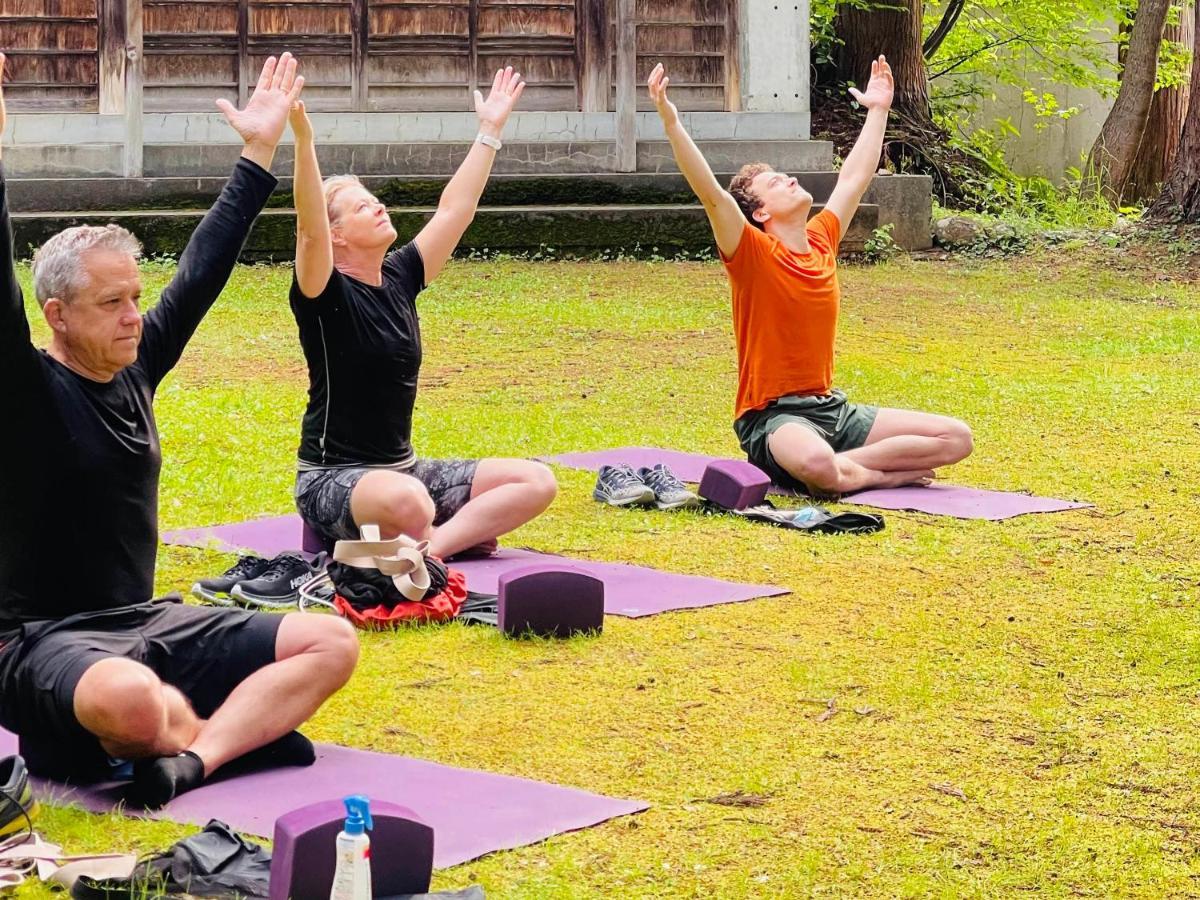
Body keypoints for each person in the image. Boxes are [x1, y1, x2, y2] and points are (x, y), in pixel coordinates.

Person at [0, 52, 359, 807]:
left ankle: (196, 755)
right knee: (131, 701)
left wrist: (259, 148)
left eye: (136, 298)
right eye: (111, 305)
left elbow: (202, 269)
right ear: (56, 316)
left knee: (330, 641)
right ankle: (220, 732)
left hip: (151, 622)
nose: (135, 317)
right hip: (44, 643)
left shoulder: (133, 368)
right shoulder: (24, 387)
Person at [646, 56, 973, 496]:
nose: (791, 179)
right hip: (775, 418)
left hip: (830, 409)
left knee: (956, 438)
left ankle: (841, 473)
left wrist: (878, 109)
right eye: (777, 182)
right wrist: (671, 123)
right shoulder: (751, 253)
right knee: (815, 461)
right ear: (760, 212)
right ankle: (863, 473)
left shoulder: (821, 240)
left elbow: (855, 178)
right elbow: (711, 194)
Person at [288, 66, 557, 558]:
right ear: (337, 236)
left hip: (404, 471)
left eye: (375, 200)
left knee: (535, 480)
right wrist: (304, 142)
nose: (379, 206)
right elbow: (308, 230)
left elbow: (455, 210)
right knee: (411, 503)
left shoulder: (401, 277)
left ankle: (429, 550)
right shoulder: (323, 294)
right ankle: (405, 534)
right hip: (333, 479)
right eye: (361, 207)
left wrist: (489, 131)